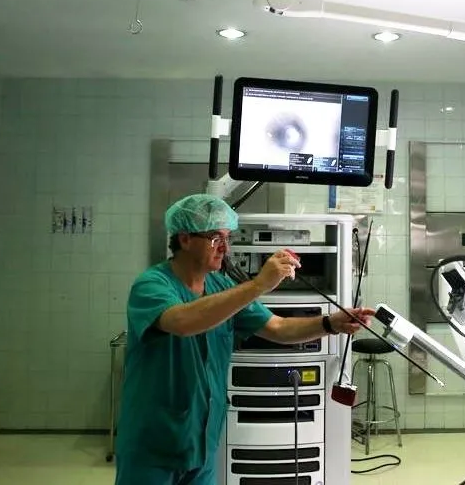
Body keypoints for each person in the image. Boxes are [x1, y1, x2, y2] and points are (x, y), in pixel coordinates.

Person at [114, 194, 375, 485]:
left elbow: (278, 327)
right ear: (185, 239)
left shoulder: (220, 285)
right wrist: (260, 284)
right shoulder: (151, 285)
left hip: (202, 437)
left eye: (227, 237)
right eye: (215, 238)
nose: (225, 247)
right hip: (153, 441)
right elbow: (183, 321)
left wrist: (330, 323)